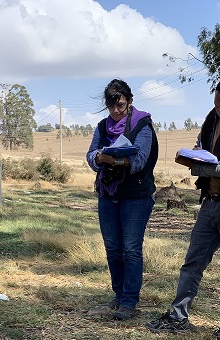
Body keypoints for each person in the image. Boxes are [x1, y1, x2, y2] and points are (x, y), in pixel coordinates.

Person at [145, 77, 220, 339]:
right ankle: (178, 318)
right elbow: (202, 146)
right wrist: (193, 154)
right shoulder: (212, 119)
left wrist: (196, 167)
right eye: (217, 107)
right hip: (210, 204)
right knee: (192, 264)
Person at [86, 79, 158, 320]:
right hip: (108, 194)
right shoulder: (102, 126)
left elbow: (139, 162)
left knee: (131, 249)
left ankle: (129, 301)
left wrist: (113, 160)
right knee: (113, 249)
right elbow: (90, 154)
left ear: (130, 101)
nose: (116, 111)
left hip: (136, 195)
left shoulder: (142, 125)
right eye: (112, 106)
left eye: (121, 106)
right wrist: (98, 157)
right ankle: (118, 295)